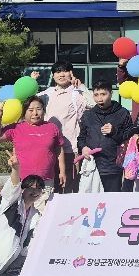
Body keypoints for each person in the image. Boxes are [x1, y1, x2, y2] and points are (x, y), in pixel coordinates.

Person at [0, 96, 64, 212]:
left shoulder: (52, 128)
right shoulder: (16, 128)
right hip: (22, 181)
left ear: (43, 110)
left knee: (42, 215)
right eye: (30, 110)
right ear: (24, 112)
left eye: (39, 109)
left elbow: (59, 150)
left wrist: (62, 171)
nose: (35, 113)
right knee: (20, 213)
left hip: (45, 181)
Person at [33, 60, 94, 194]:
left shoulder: (76, 93)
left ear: (71, 73)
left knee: (69, 187)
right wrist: (31, 83)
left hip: (69, 149)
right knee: (49, 187)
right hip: (48, 148)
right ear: (53, 75)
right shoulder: (47, 94)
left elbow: (94, 104)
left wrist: (81, 86)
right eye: (57, 72)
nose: (61, 75)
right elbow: (29, 104)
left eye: (65, 71)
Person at [76, 80, 135, 192]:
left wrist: (114, 131)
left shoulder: (122, 113)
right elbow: (81, 138)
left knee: (112, 199)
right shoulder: (88, 115)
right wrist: (83, 147)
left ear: (111, 93)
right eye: (96, 95)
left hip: (113, 167)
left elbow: (129, 137)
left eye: (103, 94)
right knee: (92, 200)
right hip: (92, 166)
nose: (100, 99)